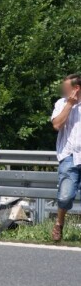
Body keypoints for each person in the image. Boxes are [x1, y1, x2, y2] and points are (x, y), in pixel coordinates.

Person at [50, 74, 81, 242]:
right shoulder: (61, 103)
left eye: (67, 88)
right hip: (69, 156)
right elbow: (56, 125)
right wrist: (70, 104)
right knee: (65, 196)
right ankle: (59, 224)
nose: (64, 91)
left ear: (76, 88)